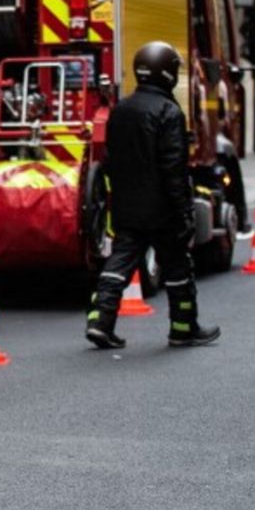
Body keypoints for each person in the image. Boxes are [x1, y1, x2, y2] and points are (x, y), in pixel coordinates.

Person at [86, 41, 220, 350]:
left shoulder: (120, 111)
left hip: (126, 206)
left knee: (118, 264)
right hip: (161, 210)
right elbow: (173, 167)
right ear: (167, 74)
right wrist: (184, 213)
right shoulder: (169, 112)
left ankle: (99, 322)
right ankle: (183, 328)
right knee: (177, 269)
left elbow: (109, 161)